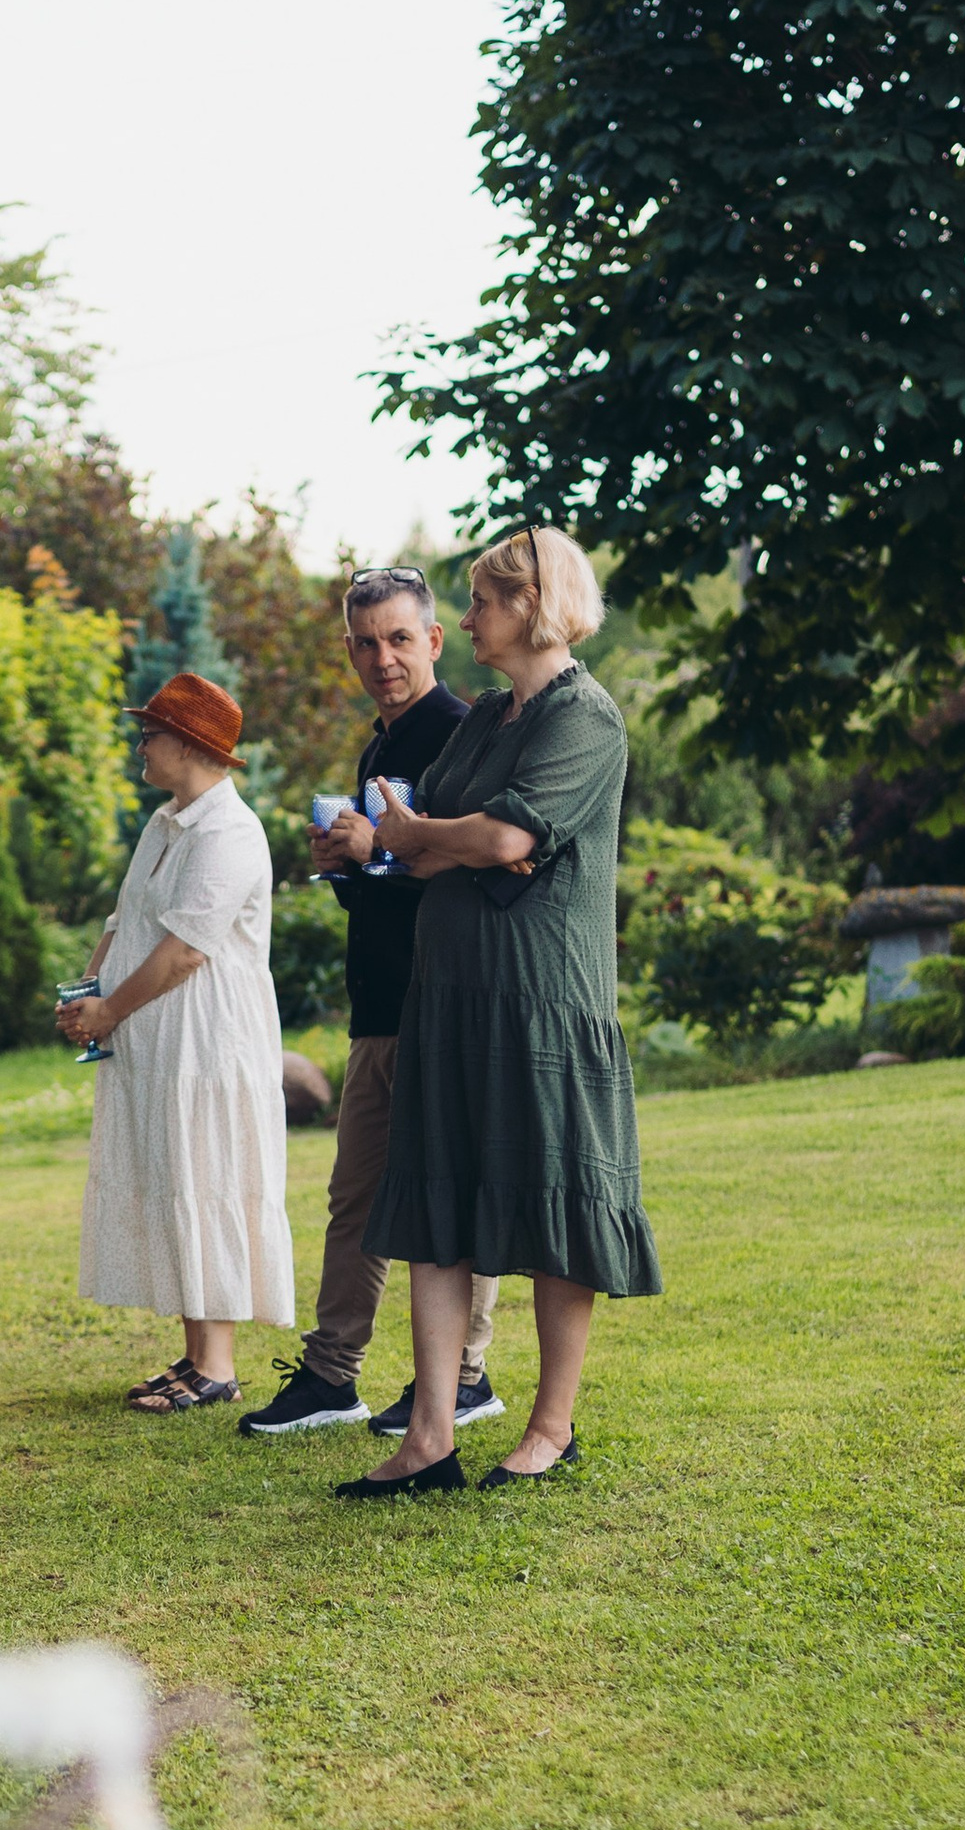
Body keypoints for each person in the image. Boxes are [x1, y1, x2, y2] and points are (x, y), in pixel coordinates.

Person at [340, 528, 661, 1502]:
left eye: (480, 601)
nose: (467, 618)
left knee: (554, 1208)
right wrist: (456, 841)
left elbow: (502, 832)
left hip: (540, 1006)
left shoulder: (585, 718)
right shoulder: (484, 719)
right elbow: (450, 843)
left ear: (532, 606)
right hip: (445, 999)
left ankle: (548, 1429)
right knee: (438, 1212)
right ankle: (428, 1439)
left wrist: (446, 837)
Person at [238, 566, 502, 1441]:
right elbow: (393, 890)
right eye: (365, 641)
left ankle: (466, 1378)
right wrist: (351, 863)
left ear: (434, 640)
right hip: (381, 1007)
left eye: (398, 638)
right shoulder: (379, 746)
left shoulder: (466, 737)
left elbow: (474, 884)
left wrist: (378, 849)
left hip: (445, 1006)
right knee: (356, 1199)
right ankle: (330, 1375)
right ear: (348, 650)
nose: (382, 657)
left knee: (450, 1196)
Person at [59, 669, 292, 1409]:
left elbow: (185, 951)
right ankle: (196, 1357)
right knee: (177, 1177)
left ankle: (217, 1366)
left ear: (188, 744)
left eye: (149, 734)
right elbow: (127, 920)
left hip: (209, 1043)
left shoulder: (230, 832)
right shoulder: (167, 822)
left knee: (209, 1176)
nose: (141, 747)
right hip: (160, 1039)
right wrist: (88, 995)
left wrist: (112, 1012)